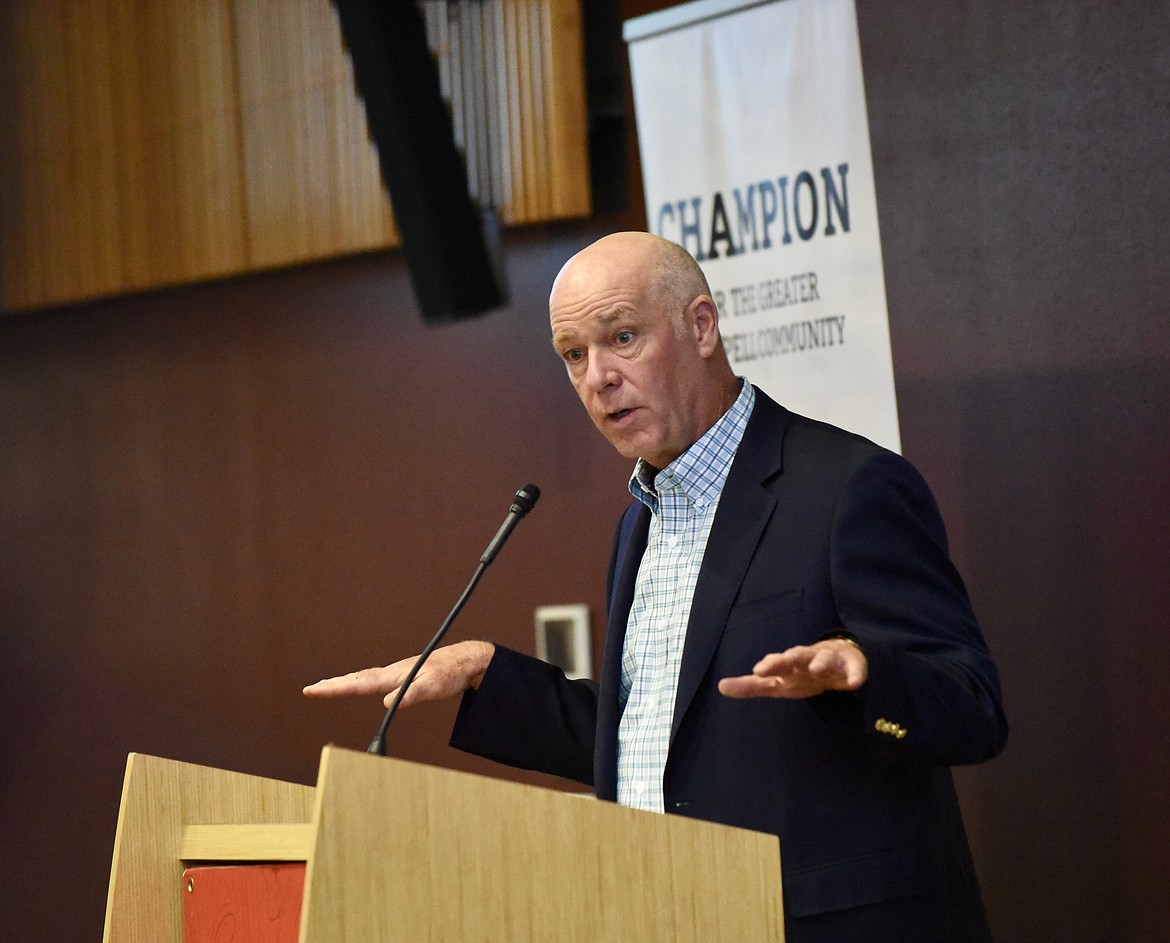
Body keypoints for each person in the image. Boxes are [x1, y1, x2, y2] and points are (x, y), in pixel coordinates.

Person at [305, 231, 1008, 943]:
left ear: (701, 326)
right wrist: (488, 672)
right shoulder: (639, 522)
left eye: (623, 337)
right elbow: (659, 735)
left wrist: (863, 678)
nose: (597, 376)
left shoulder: (847, 486)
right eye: (574, 354)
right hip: (664, 914)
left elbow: (972, 705)